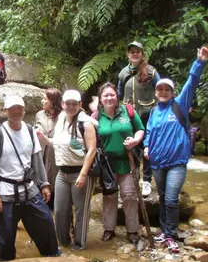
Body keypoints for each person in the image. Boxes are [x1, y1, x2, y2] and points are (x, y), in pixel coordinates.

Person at [144, 46, 208, 253]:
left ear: (172, 93)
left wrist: (199, 62)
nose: (163, 92)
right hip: (157, 162)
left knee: (171, 199)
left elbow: (192, 83)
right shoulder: (154, 111)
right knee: (163, 198)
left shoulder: (179, 105)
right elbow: (148, 131)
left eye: (166, 90)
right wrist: (146, 147)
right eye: (159, 89)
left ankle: (171, 234)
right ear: (156, 92)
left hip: (177, 163)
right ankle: (164, 229)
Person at [0, 95, 60, 261]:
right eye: (12, 108)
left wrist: (44, 184)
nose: (16, 112)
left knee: (46, 222)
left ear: (24, 110)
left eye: (19, 108)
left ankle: (52, 256)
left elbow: (36, 159)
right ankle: (6, 259)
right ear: (5, 111)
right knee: (5, 235)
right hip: (5, 192)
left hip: (29, 190)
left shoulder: (29, 131)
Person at [37, 90, 97, 250]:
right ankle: (63, 243)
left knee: (81, 212)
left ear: (80, 105)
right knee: (60, 210)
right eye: (68, 103)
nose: (71, 107)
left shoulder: (86, 123)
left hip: (81, 172)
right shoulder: (62, 120)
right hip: (62, 173)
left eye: (74, 104)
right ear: (63, 104)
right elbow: (57, 144)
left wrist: (83, 174)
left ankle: (79, 245)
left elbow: (92, 150)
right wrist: (44, 140)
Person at [96, 82, 145, 244]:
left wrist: (135, 140)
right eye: (106, 95)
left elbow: (140, 129)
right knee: (109, 196)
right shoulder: (96, 116)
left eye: (112, 95)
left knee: (130, 196)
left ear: (117, 96)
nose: (109, 98)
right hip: (107, 165)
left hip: (127, 161)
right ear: (101, 99)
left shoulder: (128, 111)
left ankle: (132, 230)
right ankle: (109, 229)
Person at [118, 41, 161, 197]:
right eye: (132, 51)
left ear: (142, 54)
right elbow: (119, 94)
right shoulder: (123, 73)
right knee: (132, 147)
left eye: (138, 51)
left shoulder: (151, 72)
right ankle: (134, 178)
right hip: (129, 117)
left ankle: (147, 180)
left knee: (147, 149)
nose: (135, 54)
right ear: (128, 54)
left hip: (147, 116)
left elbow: (161, 90)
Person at [35, 88, 63, 209]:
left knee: (59, 191)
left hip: (57, 156)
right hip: (41, 154)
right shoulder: (39, 115)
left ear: (53, 100)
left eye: (45, 99)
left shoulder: (63, 116)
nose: (42, 101)